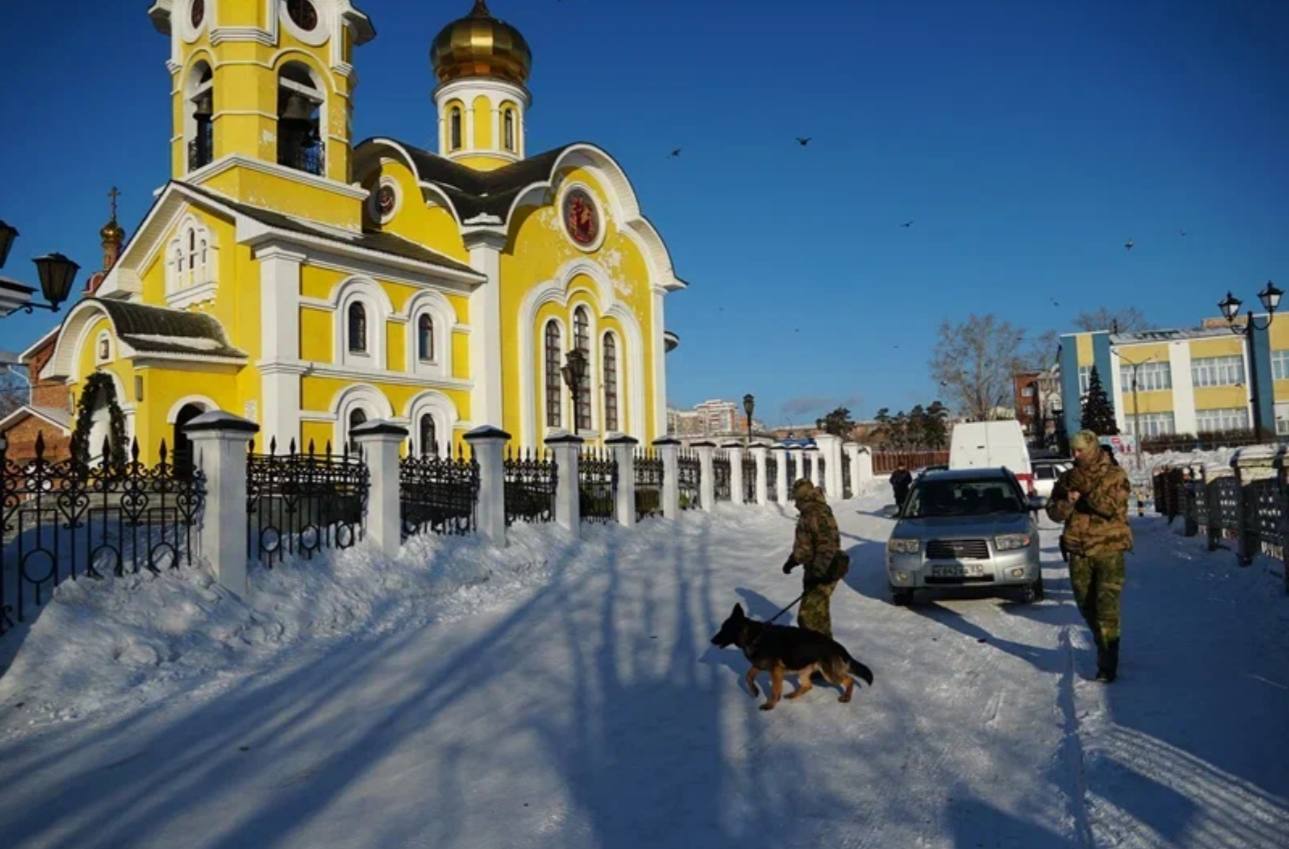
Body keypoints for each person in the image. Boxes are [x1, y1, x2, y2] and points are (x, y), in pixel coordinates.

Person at [1046, 430, 1133, 682]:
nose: (1075, 455)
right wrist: (1068, 502)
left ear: (1093, 449)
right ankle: (1104, 644)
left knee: (1107, 609)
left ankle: (1107, 664)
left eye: (1080, 450)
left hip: (1109, 550)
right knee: (1087, 607)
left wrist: (1085, 489)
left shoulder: (1114, 475)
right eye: (1073, 450)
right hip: (1079, 552)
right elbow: (1053, 513)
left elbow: (1111, 508)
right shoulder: (1067, 478)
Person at [782, 479, 845, 638]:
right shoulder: (809, 511)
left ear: (802, 496)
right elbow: (806, 544)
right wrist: (793, 560)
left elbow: (828, 546)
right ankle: (824, 657)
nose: (794, 500)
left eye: (795, 496)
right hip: (815, 569)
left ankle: (824, 656)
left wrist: (818, 573)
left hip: (825, 570)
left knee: (808, 617)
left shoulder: (816, 512)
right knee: (818, 618)